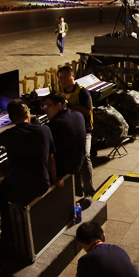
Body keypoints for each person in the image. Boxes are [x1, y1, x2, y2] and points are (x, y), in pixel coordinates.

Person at [0, 99, 58, 202]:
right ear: (27, 114)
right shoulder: (45, 129)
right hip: (42, 185)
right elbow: (51, 158)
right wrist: (55, 180)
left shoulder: (9, 134)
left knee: (0, 192)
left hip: (19, 188)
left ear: (10, 118)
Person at [75, 221, 139, 277]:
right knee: (138, 266)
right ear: (104, 237)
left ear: (82, 244)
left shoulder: (85, 260)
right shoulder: (118, 249)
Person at [57, 65, 95, 197]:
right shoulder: (61, 94)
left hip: (84, 130)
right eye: (60, 78)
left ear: (72, 76)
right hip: (70, 131)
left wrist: (69, 106)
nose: (62, 80)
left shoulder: (82, 92)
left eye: (65, 77)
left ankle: (89, 192)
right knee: (73, 160)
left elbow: (87, 111)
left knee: (85, 157)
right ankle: (77, 190)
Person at [42, 91, 87, 190]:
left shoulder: (55, 124)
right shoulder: (78, 115)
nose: (44, 109)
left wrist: (55, 177)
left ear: (58, 105)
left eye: (47, 106)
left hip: (65, 169)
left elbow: (50, 156)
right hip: (78, 163)